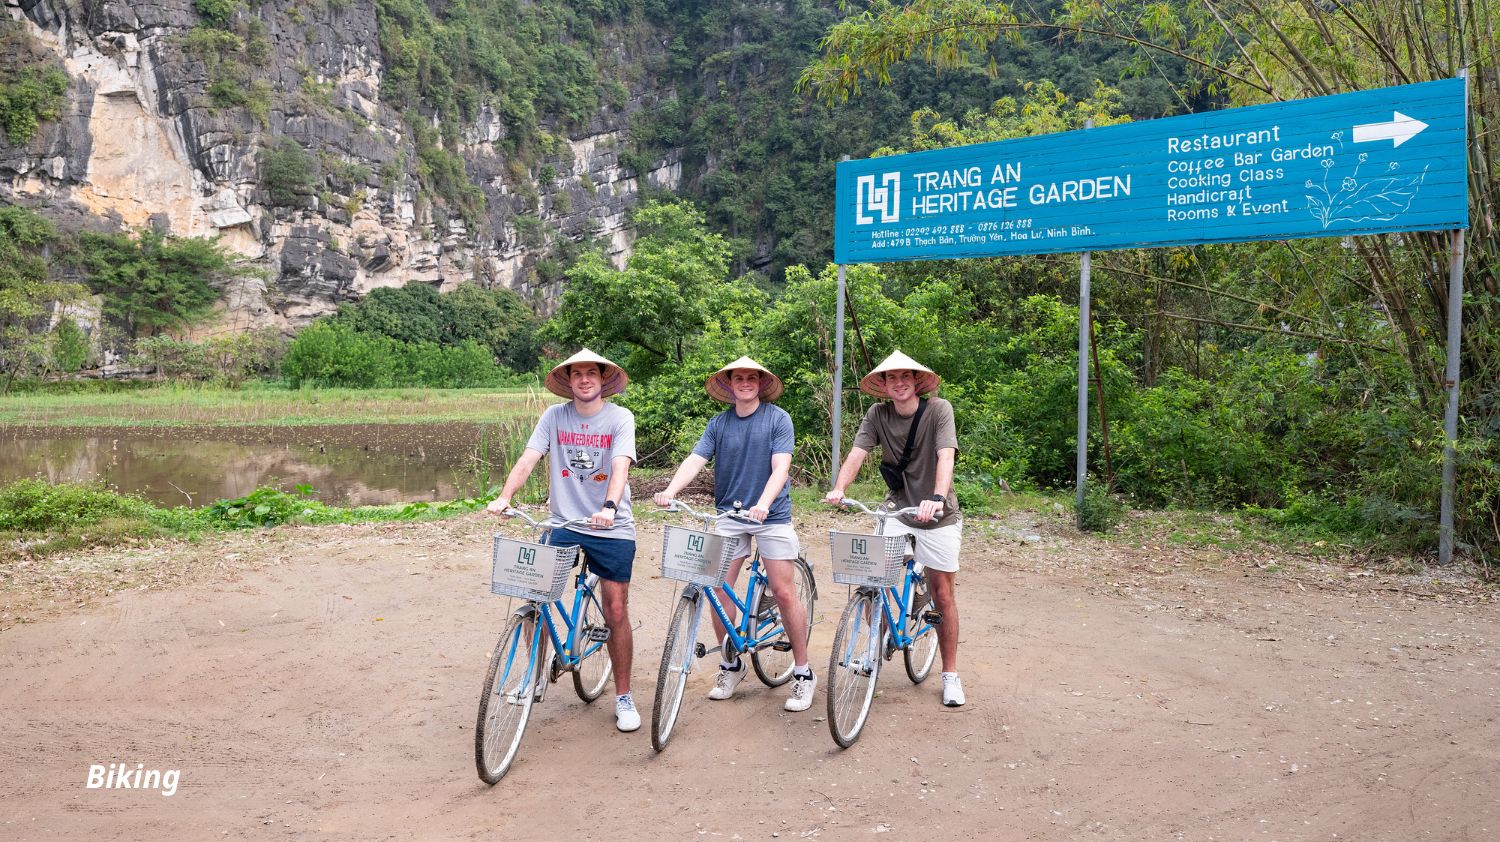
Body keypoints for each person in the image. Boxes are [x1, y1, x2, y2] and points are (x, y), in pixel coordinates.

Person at [486, 348, 642, 732]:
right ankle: (535, 674)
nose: (585, 379)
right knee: (533, 592)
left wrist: (609, 505)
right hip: (565, 522)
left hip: (611, 526)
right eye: (577, 374)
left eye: (592, 373)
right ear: (569, 381)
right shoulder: (554, 417)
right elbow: (529, 458)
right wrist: (505, 496)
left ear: (603, 380)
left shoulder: (620, 418)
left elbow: (620, 465)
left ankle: (623, 696)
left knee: (616, 610)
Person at [653, 356, 815, 712]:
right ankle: (731, 663)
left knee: (784, 591)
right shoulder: (719, 423)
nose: (744, 382)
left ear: (760, 383)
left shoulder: (777, 419)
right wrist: (671, 491)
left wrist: (763, 502)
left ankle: (802, 672)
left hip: (770, 515)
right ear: (729, 385)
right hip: (729, 514)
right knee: (715, 587)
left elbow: (781, 468)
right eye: (738, 378)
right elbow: (696, 459)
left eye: (751, 377)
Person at [824, 350, 966, 707]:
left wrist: (937, 495)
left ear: (916, 382)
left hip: (938, 513)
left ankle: (950, 674)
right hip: (897, 509)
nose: (898, 383)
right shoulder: (878, 414)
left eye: (905, 376)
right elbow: (857, 453)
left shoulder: (938, 410)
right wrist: (840, 488)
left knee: (942, 593)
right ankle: (876, 644)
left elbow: (945, 454)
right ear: (883, 385)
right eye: (891, 378)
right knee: (873, 580)